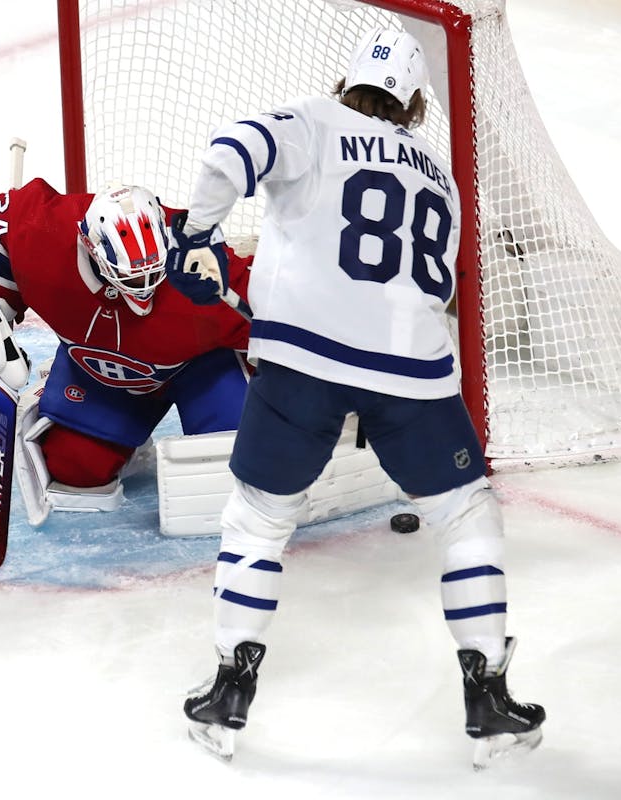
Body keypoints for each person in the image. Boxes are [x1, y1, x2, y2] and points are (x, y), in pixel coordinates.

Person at [165, 27, 545, 765]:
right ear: (413, 109)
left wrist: (194, 234)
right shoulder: (441, 174)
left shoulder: (314, 118)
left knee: (260, 517)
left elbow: (228, 153)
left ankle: (228, 691)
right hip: (414, 372)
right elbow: (443, 294)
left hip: (302, 360)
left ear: (348, 86)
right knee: (465, 513)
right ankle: (489, 699)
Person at [0, 179, 252, 526]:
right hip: (101, 370)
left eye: (153, 273)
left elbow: (280, 311)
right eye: (130, 278)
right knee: (74, 472)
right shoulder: (43, 233)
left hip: (200, 370)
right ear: (90, 248)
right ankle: (121, 440)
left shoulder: (208, 270)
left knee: (237, 472)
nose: (143, 291)